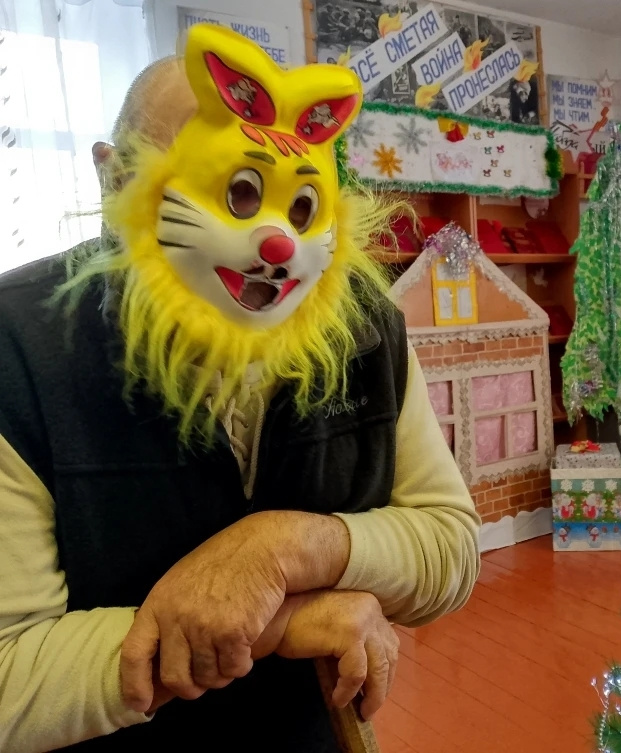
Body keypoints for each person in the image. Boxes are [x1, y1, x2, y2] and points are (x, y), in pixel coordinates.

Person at [0, 23, 480, 753]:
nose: (273, 242)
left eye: (297, 208)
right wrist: (278, 622)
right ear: (113, 178)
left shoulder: (363, 327)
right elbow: (9, 678)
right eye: (230, 188)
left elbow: (449, 547)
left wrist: (288, 548)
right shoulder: (19, 344)